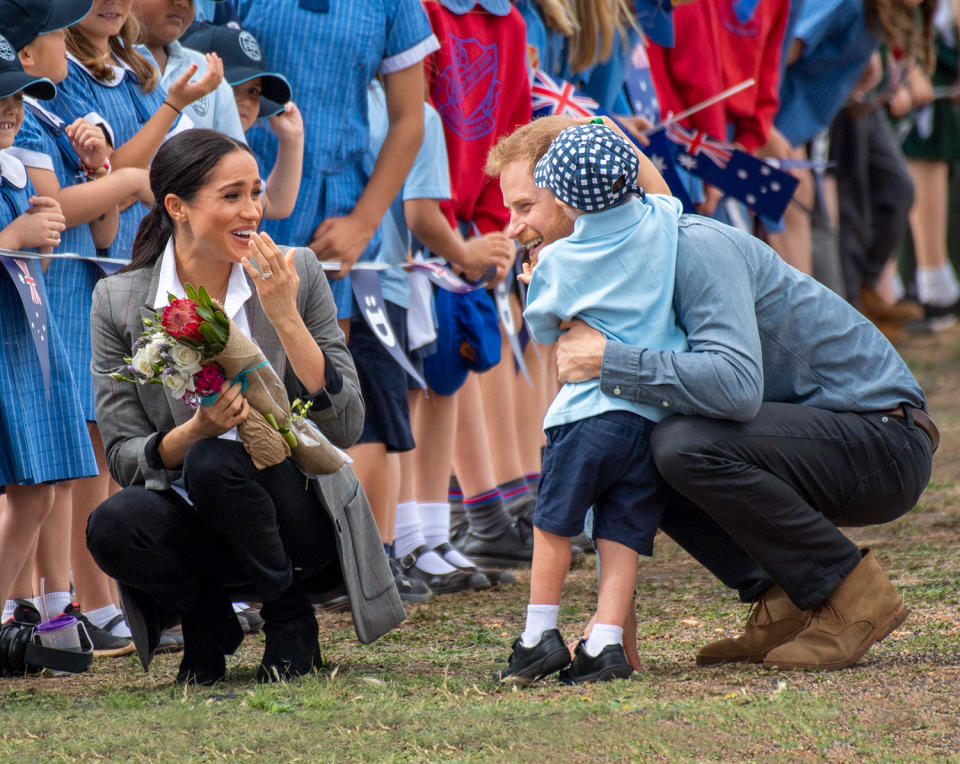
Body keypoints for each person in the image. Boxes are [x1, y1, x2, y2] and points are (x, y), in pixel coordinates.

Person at [487, 115, 937, 672]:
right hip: (825, 436)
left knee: (678, 441)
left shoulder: (691, 246)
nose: (511, 227)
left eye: (524, 206)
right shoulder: (624, 265)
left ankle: (850, 593)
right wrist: (611, 633)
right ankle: (785, 599)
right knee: (635, 436)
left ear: (570, 194)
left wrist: (610, 359)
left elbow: (736, 389)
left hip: (883, 438)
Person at [84, 129, 403, 685]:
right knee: (113, 523)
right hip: (196, 520)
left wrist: (284, 314)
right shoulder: (119, 300)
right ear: (177, 207)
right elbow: (123, 455)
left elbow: (346, 425)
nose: (252, 211)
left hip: (298, 518)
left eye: (255, 193)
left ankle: (290, 618)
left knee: (218, 462)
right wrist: (193, 431)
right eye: (231, 196)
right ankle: (206, 621)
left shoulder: (295, 269)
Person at [494, 123, 687, 685]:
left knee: (555, 523)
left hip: (584, 418)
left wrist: (535, 287)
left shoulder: (559, 260)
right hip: (650, 418)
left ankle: (539, 633)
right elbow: (663, 192)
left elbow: (548, 334)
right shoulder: (660, 222)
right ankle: (605, 642)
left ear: (561, 195)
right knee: (623, 531)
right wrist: (609, 131)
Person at [0, 43, 98, 628]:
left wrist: (39, 232)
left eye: (14, 96)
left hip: (24, 344)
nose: (10, 109)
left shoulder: (13, 166)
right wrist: (16, 233)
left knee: (40, 490)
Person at [179, 21, 303, 219]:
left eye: (253, 91)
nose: (244, 100)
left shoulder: (231, 153)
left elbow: (274, 203)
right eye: (228, 86)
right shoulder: (176, 139)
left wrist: (292, 140)